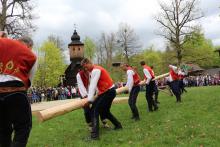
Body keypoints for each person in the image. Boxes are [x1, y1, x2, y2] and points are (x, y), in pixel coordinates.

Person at [0, 37, 37, 147]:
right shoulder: (31, 54)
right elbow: (29, 81)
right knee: (23, 127)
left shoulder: (3, 43)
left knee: (2, 129)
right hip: (16, 91)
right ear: (29, 46)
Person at [81, 58, 122, 140]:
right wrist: (93, 97)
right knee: (105, 112)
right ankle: (118, 125)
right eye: (84, 68)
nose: (85, 69)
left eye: (86, 67)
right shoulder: (93, 71)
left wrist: (89, 101)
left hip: (108, 92)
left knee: (94, 111)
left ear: (89, 63)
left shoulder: (96, 70)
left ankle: (94, 136)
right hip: (107, 92)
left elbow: (92, 86)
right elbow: (96, 87)